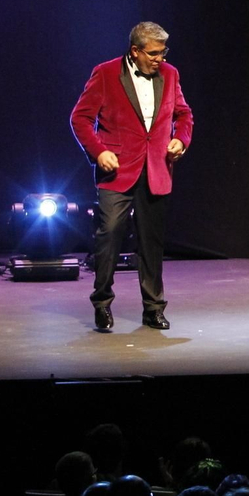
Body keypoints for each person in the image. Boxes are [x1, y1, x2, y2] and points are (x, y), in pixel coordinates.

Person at [70, 21, 193, 330]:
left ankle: (153, 308)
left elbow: (183, 114)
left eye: (164, 52)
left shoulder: (171, 74)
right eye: (153, 53)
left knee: (152, 243)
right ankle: (102, 302)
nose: (160, 59)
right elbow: (80, 118)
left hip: (156, 169)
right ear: (135, 51)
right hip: (118, 170)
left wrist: (181, 139)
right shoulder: (106, 73)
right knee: (109, 234)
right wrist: (99, 151)